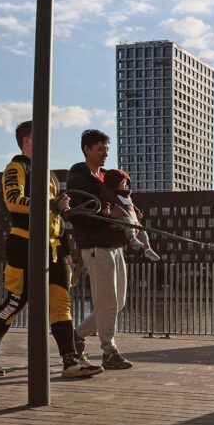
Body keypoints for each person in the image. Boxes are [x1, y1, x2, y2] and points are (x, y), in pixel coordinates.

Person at [0, 121, 103, 378]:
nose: (48, 140)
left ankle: (70, 360)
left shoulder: (49, 175)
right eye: (42, 136)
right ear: (27, 140)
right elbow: (13, 201)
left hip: (54, 250)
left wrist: (66, 247)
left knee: (61, 303)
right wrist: (51, 203)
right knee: (16, 300)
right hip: (25, 245)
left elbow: (55, 217)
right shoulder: (16, 167)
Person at [67, 130, 134, 370]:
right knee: (107, 301)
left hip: (114, 245)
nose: (106, 153)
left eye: (107, 148)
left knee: (118, 302)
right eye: (100, 149)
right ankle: (109, 350)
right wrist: (110, 216)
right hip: (95, 246)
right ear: (87, 149)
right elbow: (79, 215)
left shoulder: (106, 177)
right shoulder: (78, 179)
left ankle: (77, 335)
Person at [103, 169, 161, 262]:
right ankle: (132, 238)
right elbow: (105, 201)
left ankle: (147, 249)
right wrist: (107, 208)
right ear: (115, 184)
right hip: (121, 218)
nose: (125, 185)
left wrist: (137, 212)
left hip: (133, 219)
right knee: (128, 223)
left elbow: (132, 205)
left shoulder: (127, 196)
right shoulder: (112, 195)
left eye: (126, 182)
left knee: (142, 231)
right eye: (123, 182)